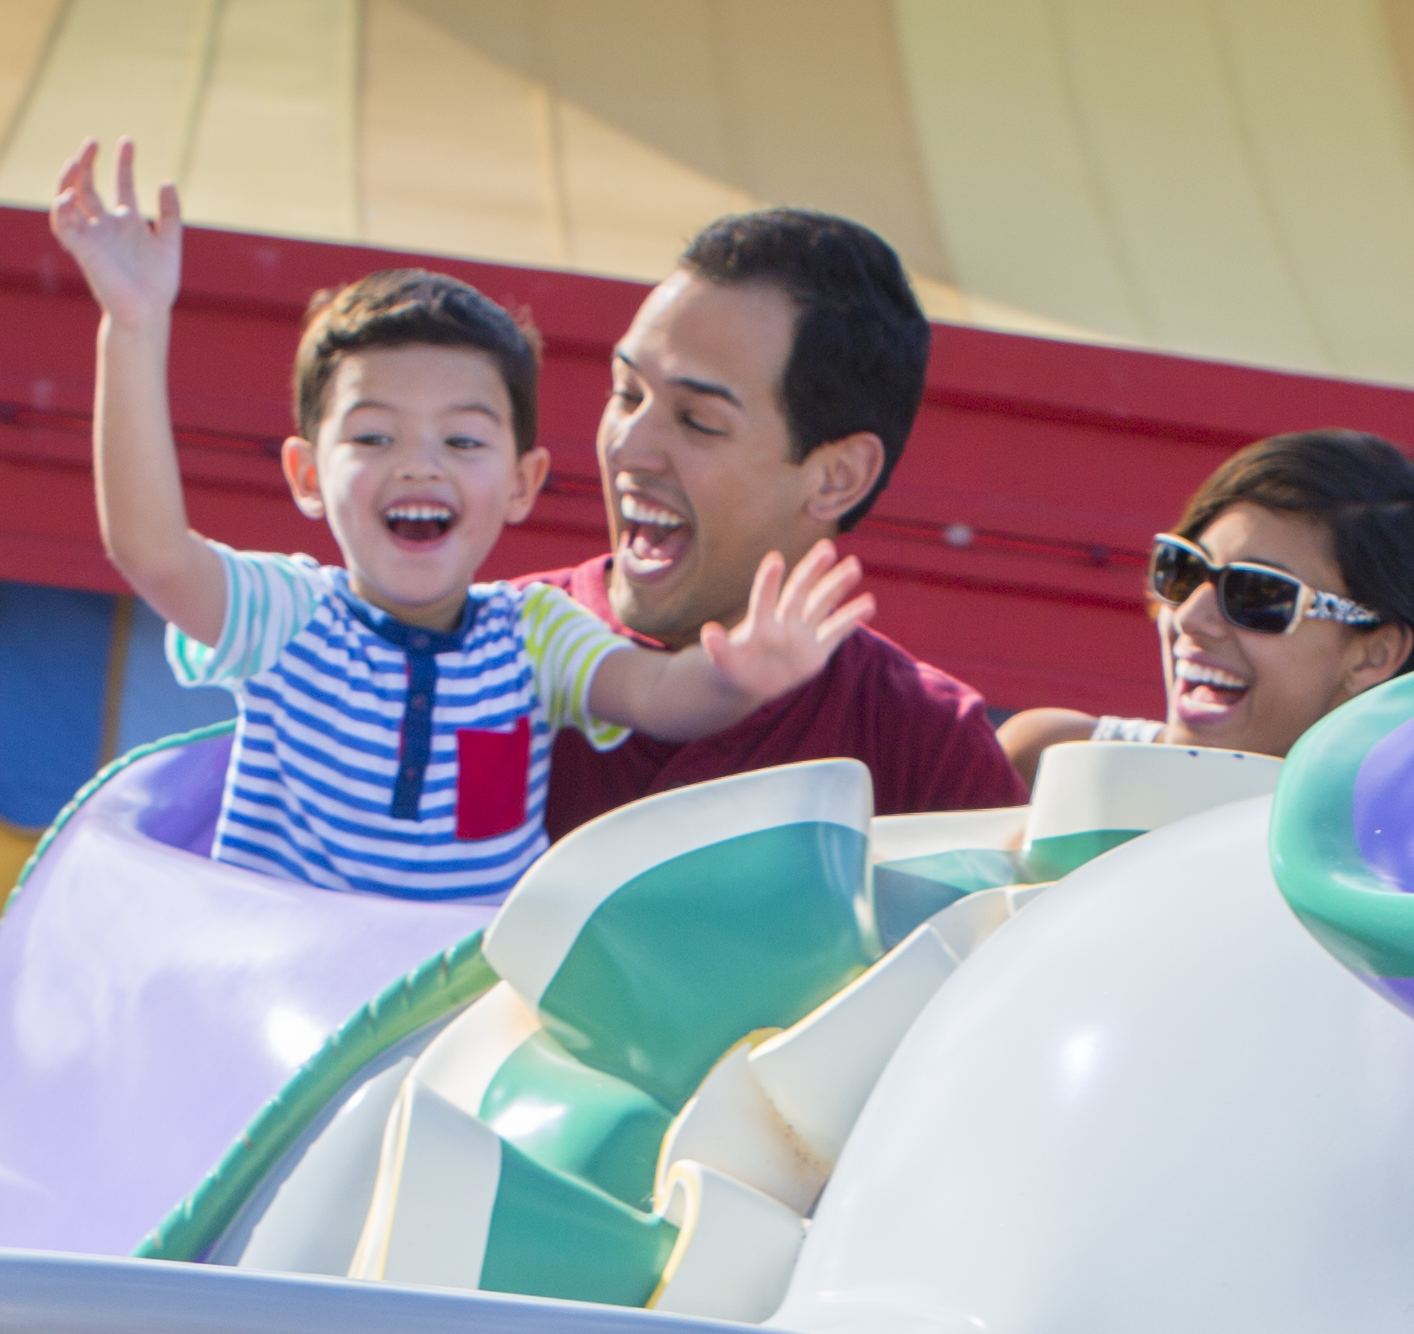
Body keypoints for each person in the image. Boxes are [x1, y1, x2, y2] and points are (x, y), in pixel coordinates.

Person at [56, 148, 870, 906]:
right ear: (307, 476)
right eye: (374, 437)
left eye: (462, 440)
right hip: (299, 1005)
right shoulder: (289, 617)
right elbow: (153, 553)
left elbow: (655, 694)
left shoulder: (534, 636)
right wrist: (132, 327)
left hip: (447, 1022)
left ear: (522, 484)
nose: (420, 465)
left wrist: (739, 677)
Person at [539, 209, 1025, 835]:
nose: (628, 448)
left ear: (837, 477)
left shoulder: (926, 750)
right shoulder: (469, 658)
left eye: (698, 421)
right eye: (626, 393)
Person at [1000, 431, 1414, 769]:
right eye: (1183, 570)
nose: (1191, 617)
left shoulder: (1399, 871)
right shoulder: (1047, 760)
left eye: (1259, 593)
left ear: (1374, 654)